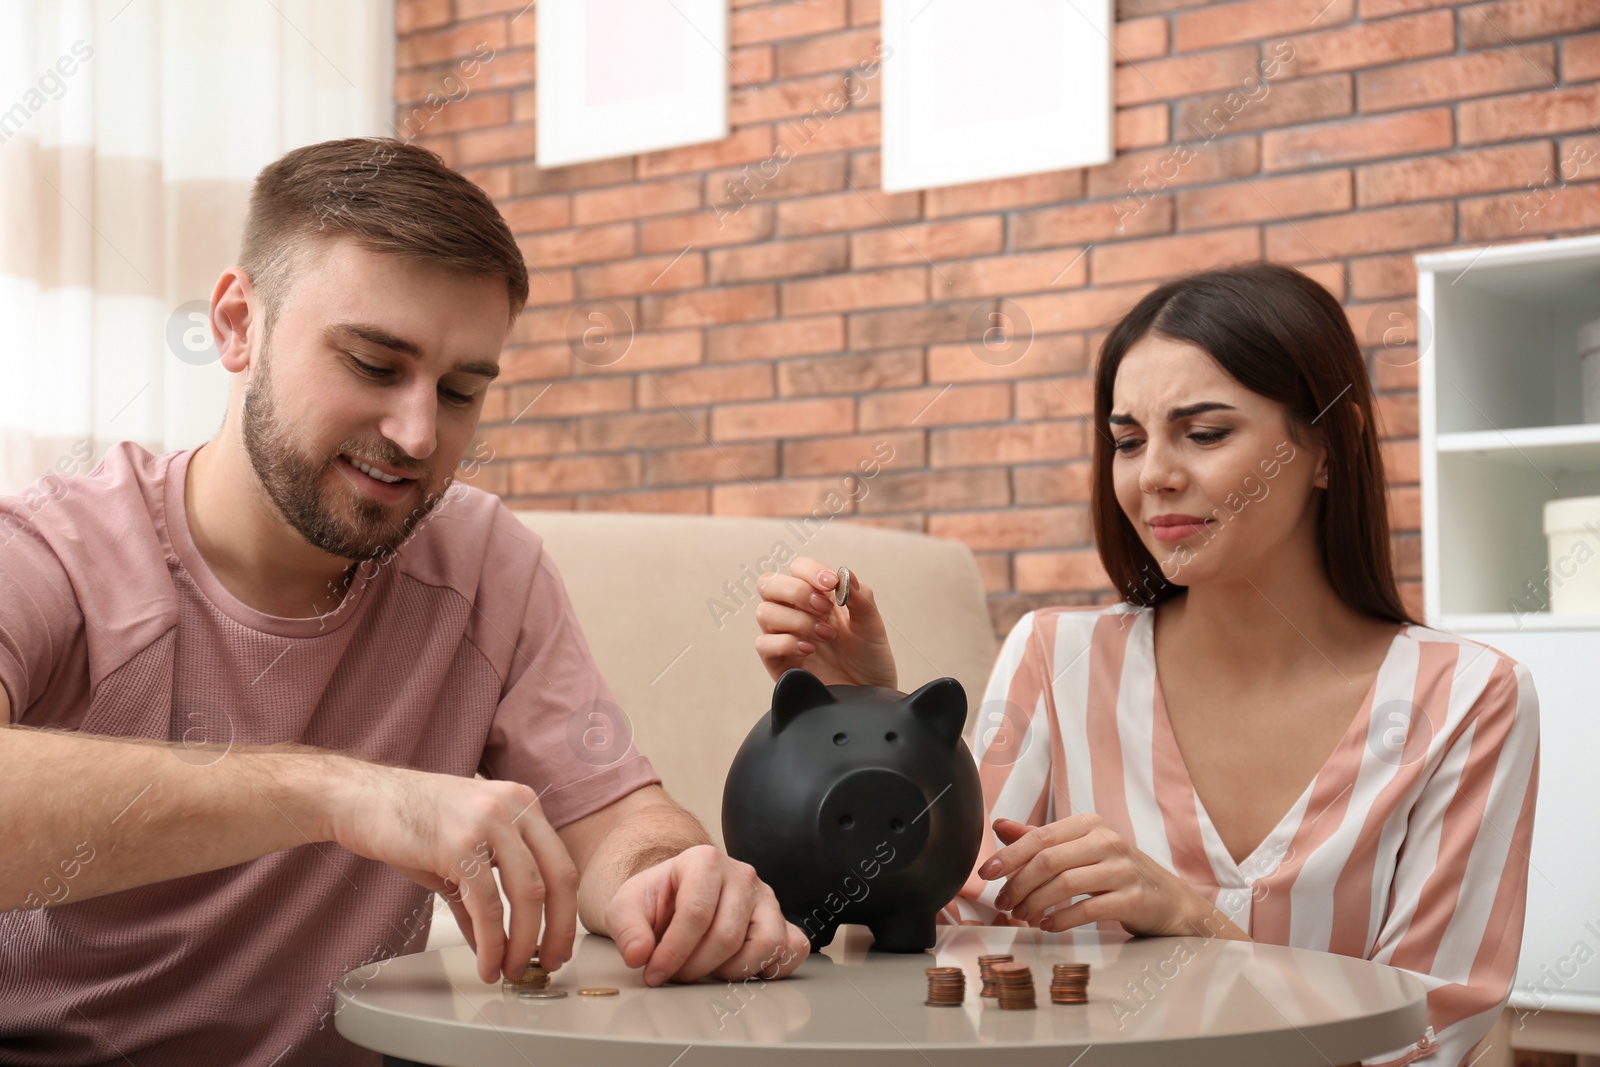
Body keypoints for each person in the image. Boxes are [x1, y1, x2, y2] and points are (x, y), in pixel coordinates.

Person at [0, 138, 807, 1066]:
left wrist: (672, 881)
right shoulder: (52, 551)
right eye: (375, 366)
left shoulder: (482, 563)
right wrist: (338, 793)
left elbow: (619, 820)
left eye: (461, 390)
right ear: (236, 324)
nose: (418, 433)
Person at [754, 263, 1539, 1066]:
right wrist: (873, 725)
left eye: (1205, 433)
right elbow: (933, 957)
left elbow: (1420, 1043)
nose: (1153, 474)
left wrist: (1195, 924)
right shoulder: (1055, 657)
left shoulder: (1468, 699)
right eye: (1128, 440)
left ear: (1330, 447)